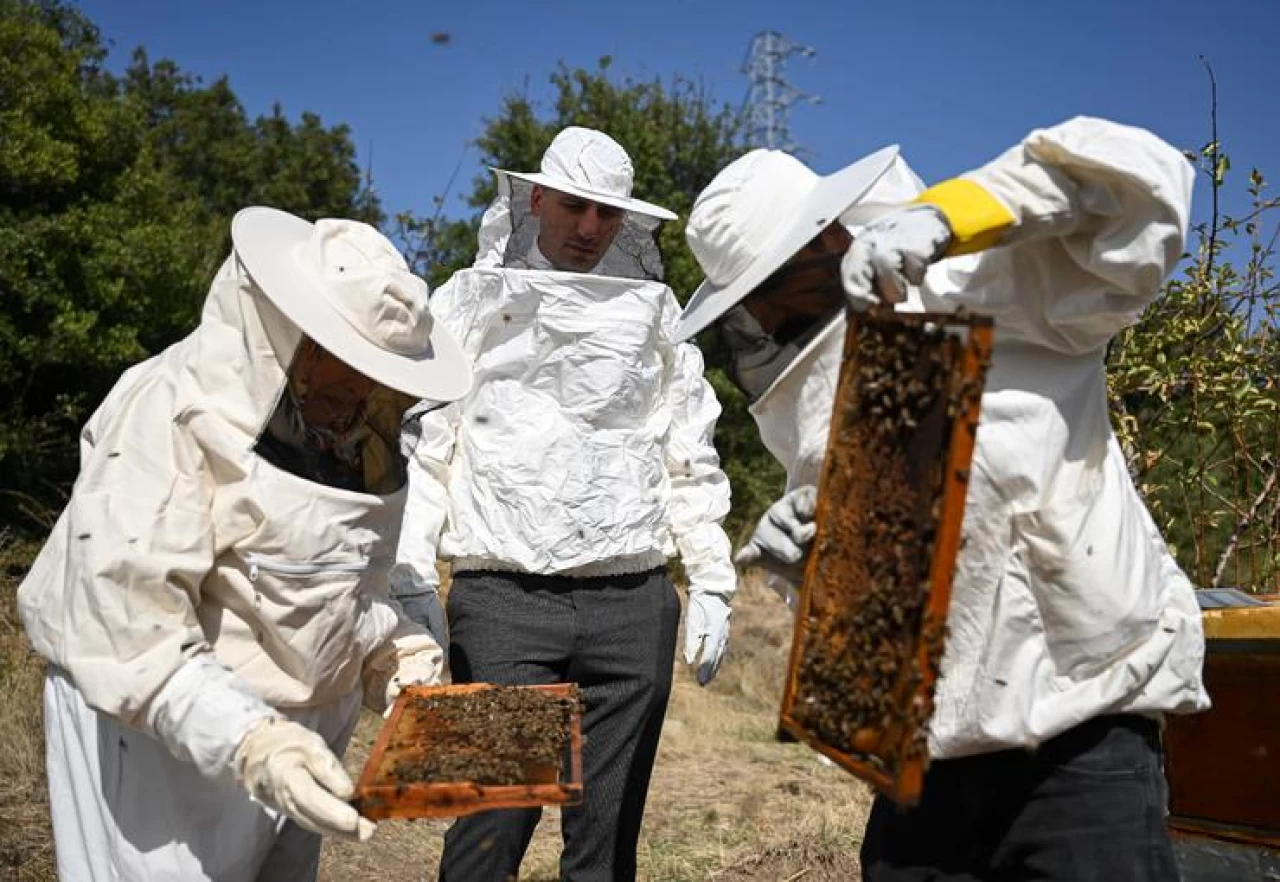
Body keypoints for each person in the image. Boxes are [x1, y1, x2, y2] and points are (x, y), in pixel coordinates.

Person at [675, 117, 1210, 881]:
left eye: (767, 289)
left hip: (1080, 743)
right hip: (923, 773)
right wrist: (809, 574)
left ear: (824, 243)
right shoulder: (812, 407)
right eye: (747, 302)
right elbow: (879, 627)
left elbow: (1146, 183)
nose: (758, 319)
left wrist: (953, 214)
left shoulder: (995, 280)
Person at [17, 207, 473, 881]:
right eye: (351, 375)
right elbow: (124, 619)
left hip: (299, 743)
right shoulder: (169, 408)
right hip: (160, 740)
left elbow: (342, 589)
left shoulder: (350, 440)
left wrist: (392, 653)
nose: (362, 404)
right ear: (292, 340)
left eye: (380, 385)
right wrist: (251, 740)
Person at [392, 126, 737, 882]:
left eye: (607, 215)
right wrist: (411, 584)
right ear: (536, 196)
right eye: (576, 206)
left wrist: (711, 576)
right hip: (503, 601)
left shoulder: (657, 313)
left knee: (606, 849)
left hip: (633, 602)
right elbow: (427, 447)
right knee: (486, 833)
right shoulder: (468, 300)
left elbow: (688, 449)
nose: (589, 229)